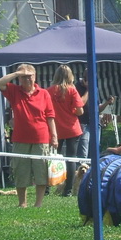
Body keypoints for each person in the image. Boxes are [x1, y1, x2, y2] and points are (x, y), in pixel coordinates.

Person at [0, 64, 58, 208]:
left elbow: (50, 116)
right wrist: (17, 73)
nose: (27, 79)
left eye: (30, 76)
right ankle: (22, 203)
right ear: (19, 78)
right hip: (20, 139)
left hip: (41, 138)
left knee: (41, 171)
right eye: (24, 77)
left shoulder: (44, 93)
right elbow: (0, 82)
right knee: (21, 171)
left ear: (35, 76)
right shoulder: (14, 91)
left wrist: (54, 136)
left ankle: (38, 204)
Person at [47, 65, 84, 197]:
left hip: (55, 129)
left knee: (50, 158)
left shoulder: (49, 91)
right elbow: (80, 111)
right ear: (70, 76)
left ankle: (46, 188)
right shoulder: (72, 90)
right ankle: (67, 190)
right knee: (71, 158)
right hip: (72, 129)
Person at [75, 73, 115, 161]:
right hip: (83, 123)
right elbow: (80, 103)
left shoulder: (95, 89)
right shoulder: (77, 87)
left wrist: (107, 103)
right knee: (83, 152)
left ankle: (93, 169)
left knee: (95, 151)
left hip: (95, 123)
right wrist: (88, 90)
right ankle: (82, 169)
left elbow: (98, 108)